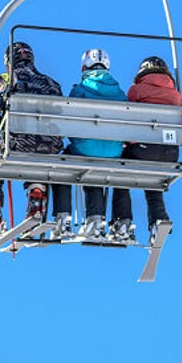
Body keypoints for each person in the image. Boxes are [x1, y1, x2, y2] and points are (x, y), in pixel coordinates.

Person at [0, 41, 63, 249]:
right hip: (48, 146)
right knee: (37, 163)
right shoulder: (51, 84)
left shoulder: (7, 79)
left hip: (16, 143)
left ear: (8, 61)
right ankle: (36, 206)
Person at [50, 48, 128, 241]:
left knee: (64, 163)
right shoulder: (120, 93)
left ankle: (63, 218)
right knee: (98, 167)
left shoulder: (80, 90)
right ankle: (96, 221)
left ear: (84, 66)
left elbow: (68, 122)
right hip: (114, 152)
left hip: (85, 149)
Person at [109, 56, 182, 243]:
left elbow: (130, 117)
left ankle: (122, 220)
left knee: (120, 173)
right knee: (153, 179)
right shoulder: (176, 95)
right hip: (170, 153)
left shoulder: (137, 91)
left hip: (143, 148)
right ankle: (159, 218)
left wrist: (126, 142)